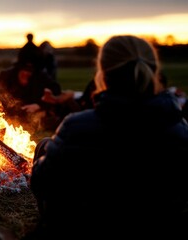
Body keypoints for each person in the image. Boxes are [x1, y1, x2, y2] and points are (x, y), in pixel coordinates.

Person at [29, 35, 188, 238]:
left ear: (102, 74)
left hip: (84, 226)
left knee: (44, 146)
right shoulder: (181, 131)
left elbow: (41, 182)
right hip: (157, 225)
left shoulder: (75, 127)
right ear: (153, 71)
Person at [0, 61, 63, 132]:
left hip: (33, 115)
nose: (26, 73)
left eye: (30, 71)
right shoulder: (6, 76)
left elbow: (56, 92)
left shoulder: (41, 78)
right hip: (9, 114)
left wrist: (40, 105)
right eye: (24, 70)